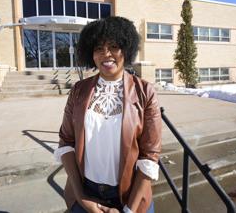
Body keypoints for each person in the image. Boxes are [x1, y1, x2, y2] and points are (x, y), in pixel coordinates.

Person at [54, 16, 162, 213]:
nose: (106, 54)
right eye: (98, 48)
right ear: (91, 54)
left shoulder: (145, 91)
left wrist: (129, 209)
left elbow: (150, 154)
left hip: (132, 197)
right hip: (86, 192)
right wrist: (82, 197)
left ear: (126, 49)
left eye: (113, 46)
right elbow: (66, 141)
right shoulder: (79, 90)